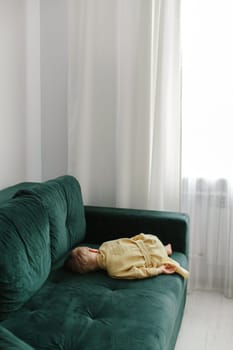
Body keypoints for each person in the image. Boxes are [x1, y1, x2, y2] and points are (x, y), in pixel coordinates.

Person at [65, 233, 189, 280]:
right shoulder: (105, 246)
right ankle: (164, 249)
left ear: (91, 270)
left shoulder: (113, 272)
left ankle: (165, 252)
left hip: (153, 259)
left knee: (160, 258)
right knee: (155, 246)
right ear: (93, 250)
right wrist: (140, 237)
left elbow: (138, 273)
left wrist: (159, 270)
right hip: (150, 241)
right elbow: (127, 240)